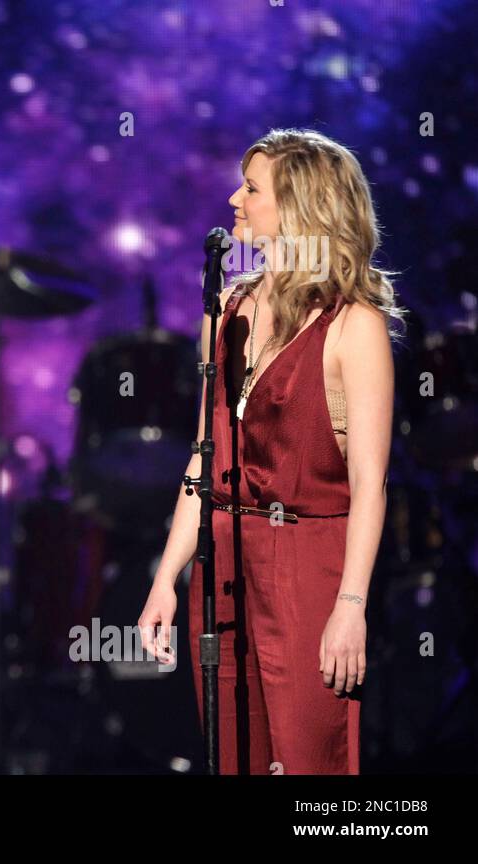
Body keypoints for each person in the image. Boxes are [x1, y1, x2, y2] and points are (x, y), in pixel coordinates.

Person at [138, 129, 405, 774]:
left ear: (299, 207)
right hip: (225, 560)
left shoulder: (353, 325)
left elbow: (371, 484)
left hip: (310, 563)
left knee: (308, 757)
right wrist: (167, 575)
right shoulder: (227, 309)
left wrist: (350, 607)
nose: (234, 199)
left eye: (252, 189)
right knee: (234, 752)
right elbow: (204, 457)